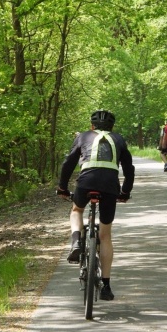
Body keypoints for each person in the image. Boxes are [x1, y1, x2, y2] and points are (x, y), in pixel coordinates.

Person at [57, 110, 135, 301]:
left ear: (92, 126)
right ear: (112, 127)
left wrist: (62, 187)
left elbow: (68, 163)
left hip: (86, 182)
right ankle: (106, 286)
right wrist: (125, 192)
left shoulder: (83, 136)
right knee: (105, 234)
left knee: (76, 210)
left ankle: (76, 241)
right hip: (109, 185)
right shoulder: (119, 139)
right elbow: (129, 168)